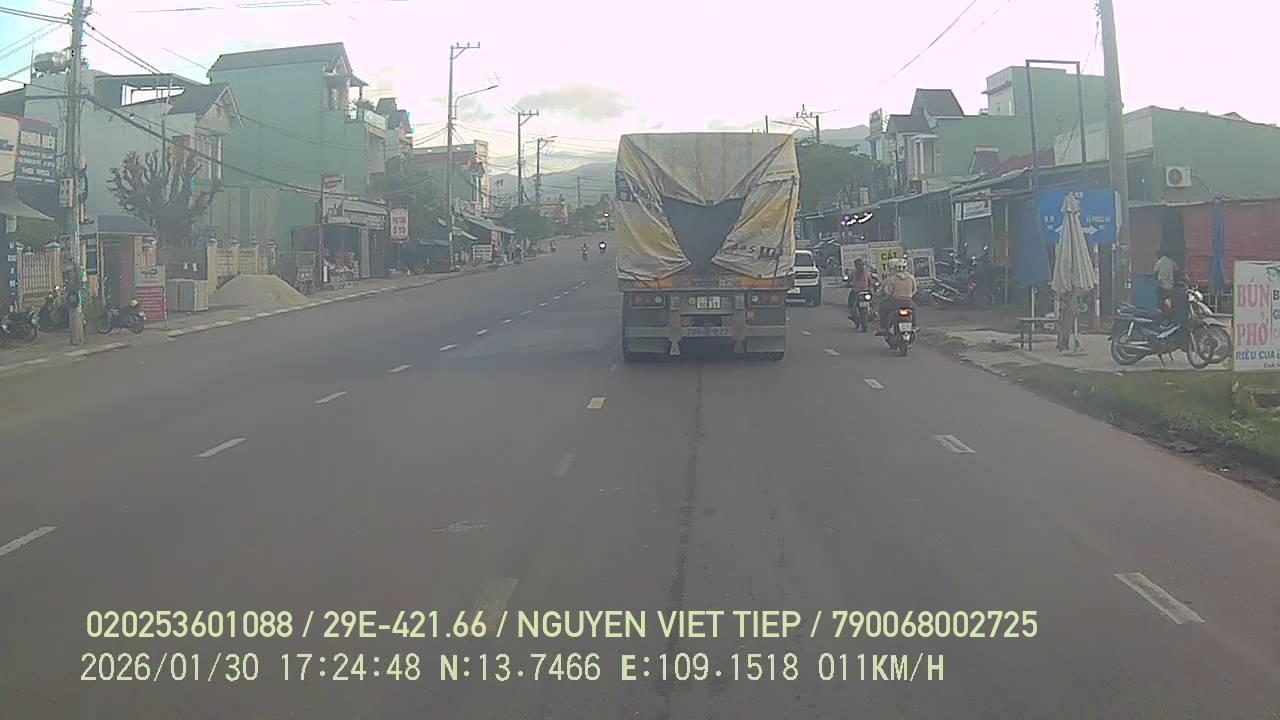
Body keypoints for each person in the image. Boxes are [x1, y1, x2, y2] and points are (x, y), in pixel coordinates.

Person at [878, 258, 917, 334]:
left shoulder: (892, 279)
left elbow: (888, 292)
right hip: (908, 302)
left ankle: (883, 327)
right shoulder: (911, 278)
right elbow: (914, 290)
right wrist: (908, 296)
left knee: (882, 308)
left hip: (895, 303)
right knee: (913, 310)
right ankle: (915, 326)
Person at [1154, 249, 1178, 318]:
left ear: (1160, 254)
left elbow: (1155, 272)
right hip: (1170, 286)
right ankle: (1169, 315)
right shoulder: (1171, 261)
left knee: (1161, 302)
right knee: (1169, 302)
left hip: (1162, 285)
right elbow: (1176, 270)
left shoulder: (1160, 261)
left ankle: (1162, 315)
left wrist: (1156, 278)